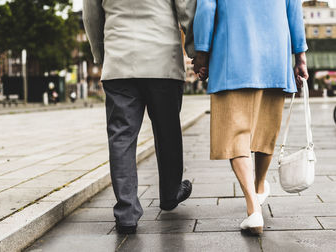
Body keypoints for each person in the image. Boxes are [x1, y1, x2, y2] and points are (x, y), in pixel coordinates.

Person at [193, 0, 309, 235]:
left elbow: (206, 6)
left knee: (234, 134)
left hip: (232, 54)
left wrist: (202, 51)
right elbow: (293, 9)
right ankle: (259, 187)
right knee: (267, 129)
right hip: (275, 55)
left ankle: (253, 207)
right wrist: (300, 57)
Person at [83, 0, 196, 234]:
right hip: (162, 60)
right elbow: (187, 8)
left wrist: (101, 55)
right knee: (168, 133)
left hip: (119, 62)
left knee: (121, 137)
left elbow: (91, 16)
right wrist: (196, 52)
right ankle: (170, 193)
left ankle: (126, 213)